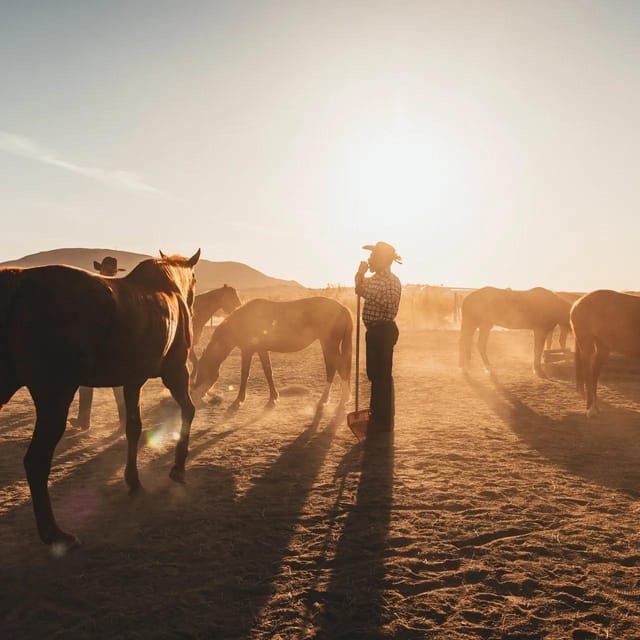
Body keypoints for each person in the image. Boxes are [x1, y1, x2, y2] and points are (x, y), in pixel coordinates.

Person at [68, 256, 126, 431]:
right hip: (115, 345)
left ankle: (84, 421)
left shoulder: (94, 290)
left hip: (97, 344)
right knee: (119, 385)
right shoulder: (122, 291)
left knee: (87, 382)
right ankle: (124, 422)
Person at [354, 241, 402, 435]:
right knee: (375, 375)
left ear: (382, 259)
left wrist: (361, 279)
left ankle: (382, 422)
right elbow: (360, 288)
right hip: (374, 331)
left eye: (373, 257)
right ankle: (379, 417)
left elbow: (388, 305)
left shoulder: (390, 280)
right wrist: (361, 276)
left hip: (383, 330)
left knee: (381, 376)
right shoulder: (376, 279)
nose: (369, 259)